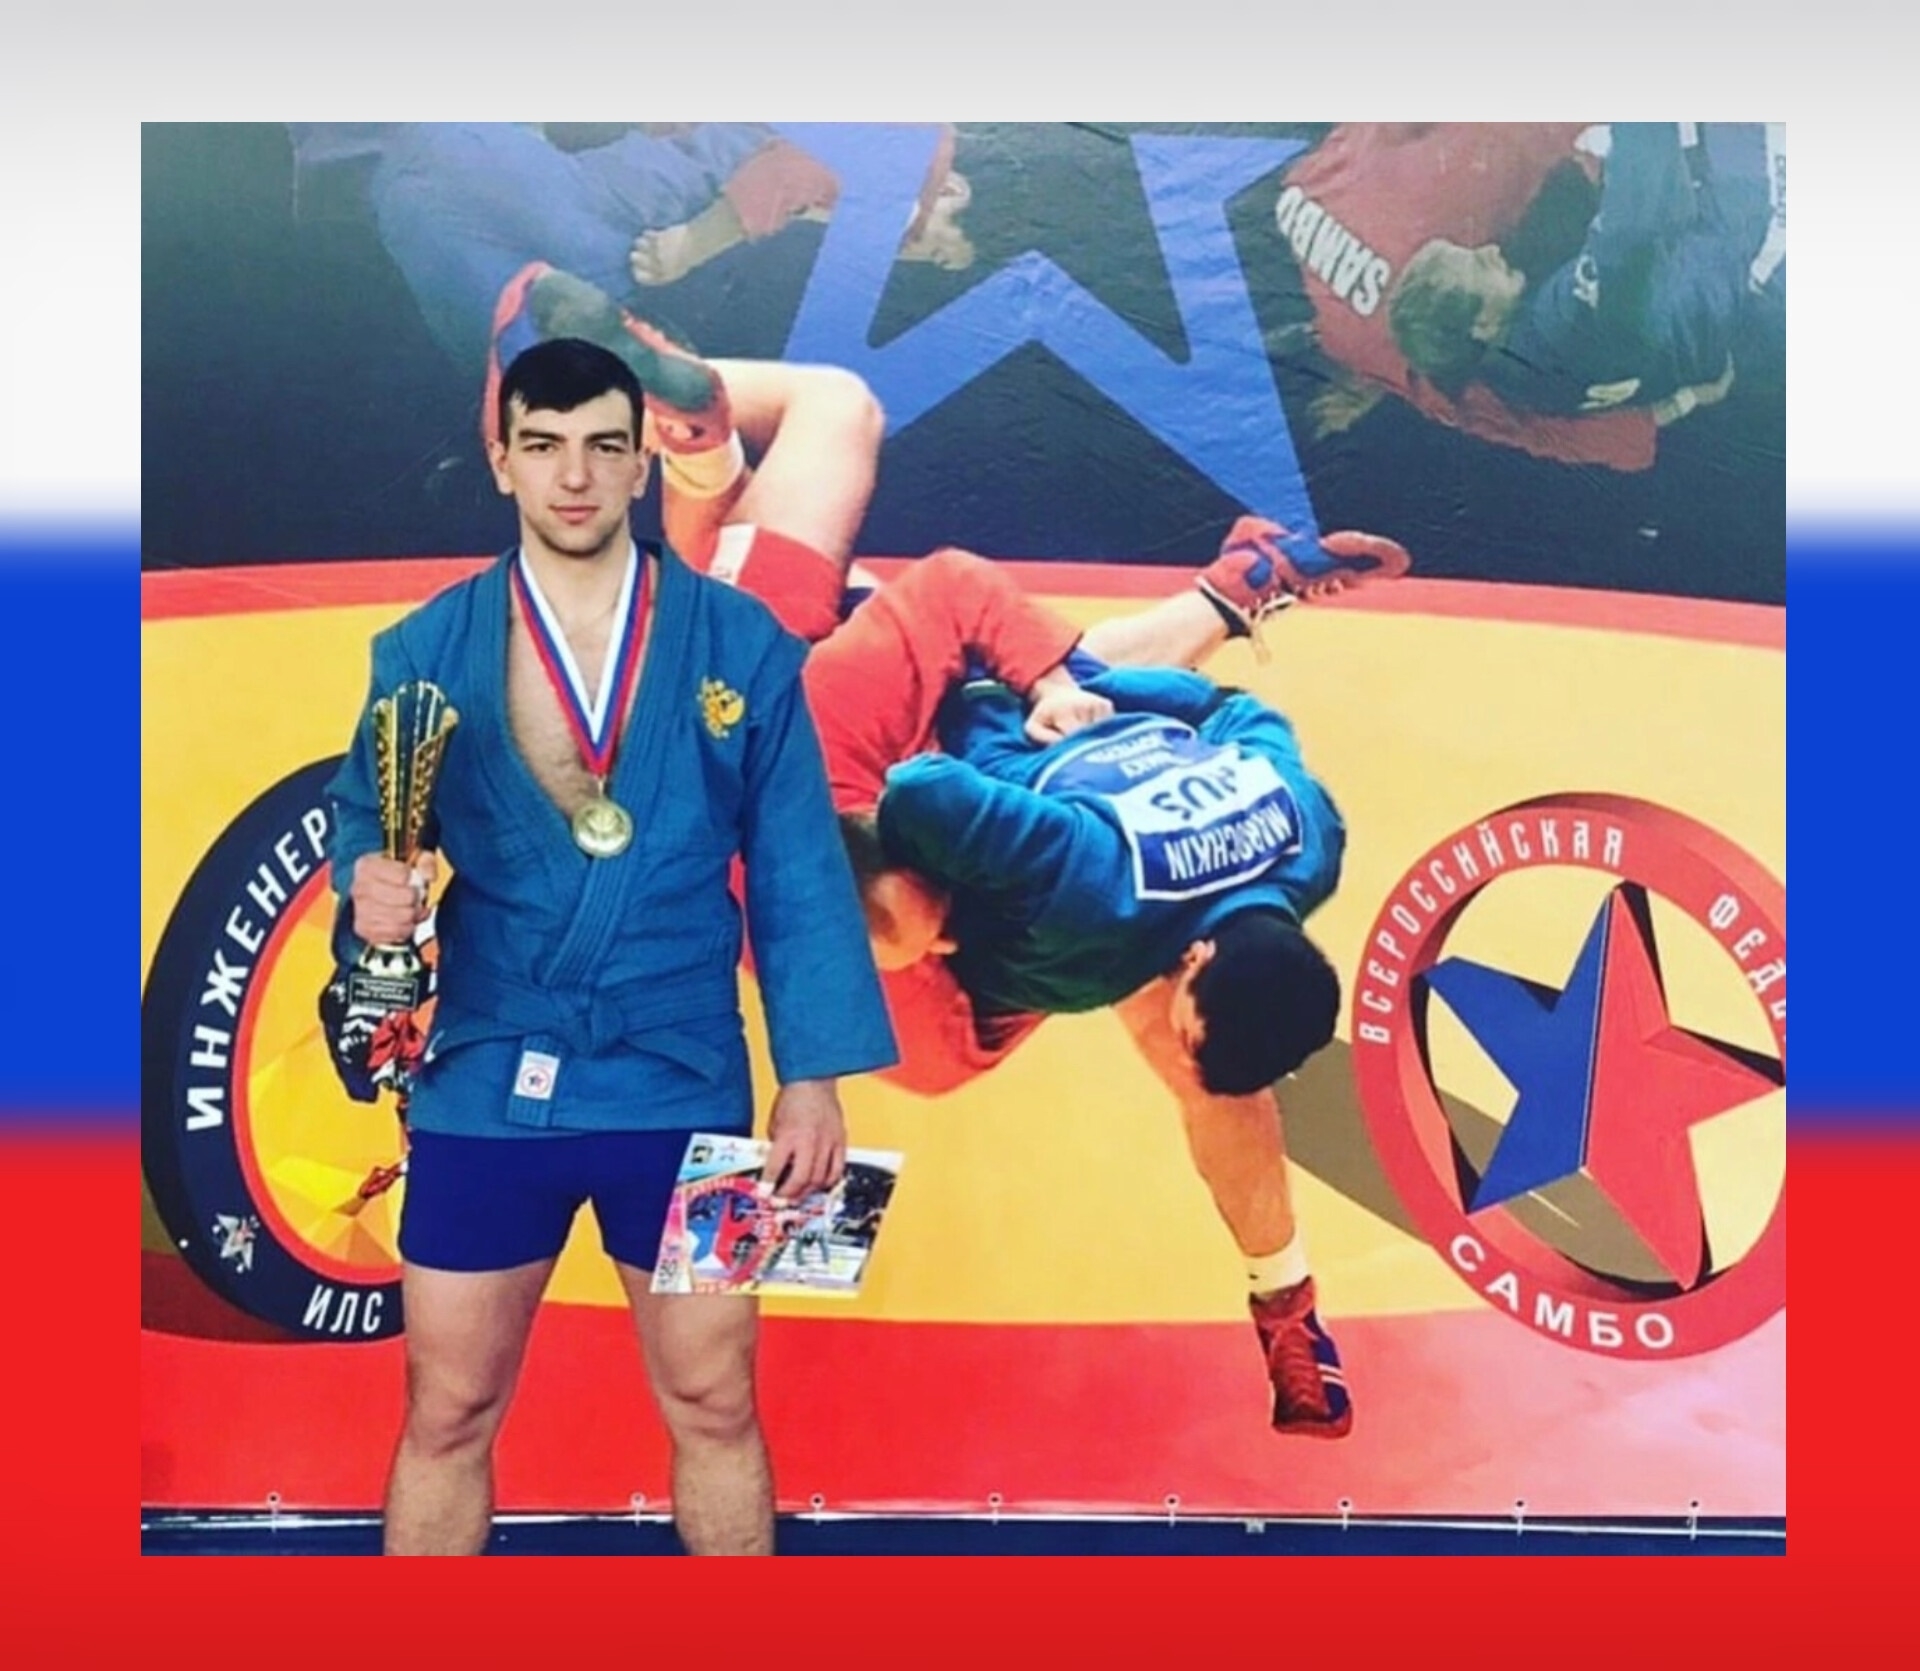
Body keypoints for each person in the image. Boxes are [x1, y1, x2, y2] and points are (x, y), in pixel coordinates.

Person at [325, 336, 896, 1556]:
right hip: (489, 1072)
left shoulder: (742, 643)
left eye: (602, 447)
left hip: (685, 1074)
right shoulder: (424, 649)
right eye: (543, 447)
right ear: (501, 461)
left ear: (646, 463)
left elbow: (797, 866)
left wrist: (813, 1076)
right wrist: (370, 891)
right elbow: (370, 820)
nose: (574, 476)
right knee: (447, 1409)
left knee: (715, 1400)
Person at [1387, 122, 1781, 422]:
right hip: (1733, 243)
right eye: (1478, 265)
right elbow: (1636, 222)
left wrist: (1684, 400)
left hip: (1708, 305)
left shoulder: (1509, 380)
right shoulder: (1564, 322)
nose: (1490, 250)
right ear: (1482, 326)